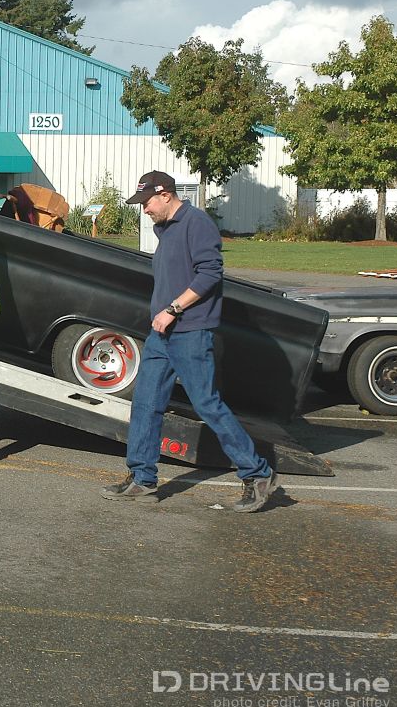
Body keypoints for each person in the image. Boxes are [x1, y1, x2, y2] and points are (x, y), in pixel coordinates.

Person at [102, 171, 278, 512]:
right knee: (145, 402)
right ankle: (142, 478)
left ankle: (257, 474)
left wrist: (172, 308)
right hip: (161, 334)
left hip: (190, 332)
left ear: (166, 194)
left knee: (207, 404)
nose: (145, 209)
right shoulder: (167, 229)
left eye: (147, 202)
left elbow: (211, 273)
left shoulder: (197, 222)